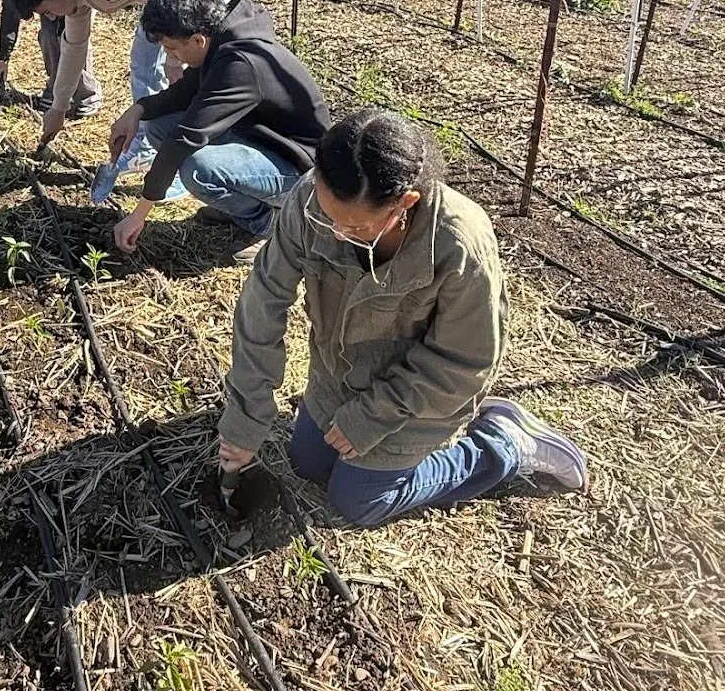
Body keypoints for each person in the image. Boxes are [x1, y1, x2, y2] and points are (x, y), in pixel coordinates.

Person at [217, 107, 588, 527]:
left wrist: (371, 416)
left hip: (416, 401)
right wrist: (245, 419)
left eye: (354, 228)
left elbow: (466, 362)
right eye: (329, 218)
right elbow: (263, 302)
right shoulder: (310, 201)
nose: (335, 232)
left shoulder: (458, 241)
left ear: (404, 204)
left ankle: (500, 446)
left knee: (357, 501)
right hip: (337, 376)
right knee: (307, 465)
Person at [109, 0, 330, 264]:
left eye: (173, 49)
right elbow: (187, 91)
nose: (171, 56)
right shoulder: (222, 40)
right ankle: (240, 205)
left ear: (198, 39)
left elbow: (185, 138)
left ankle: (270, 225)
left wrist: (139, 213)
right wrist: (137, 110)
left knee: (199, 169)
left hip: (300, 170)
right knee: (158, 126)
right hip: (262, 141)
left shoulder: (241, 64)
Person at [1, 0, 235, 164]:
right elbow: (74, 47)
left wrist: (175, 59)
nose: (50, 18)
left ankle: (192, 155)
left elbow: (172, 3)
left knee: (189, 66)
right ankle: (147, 148)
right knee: (145, 62)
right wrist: (58, 107)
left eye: (47, 11)